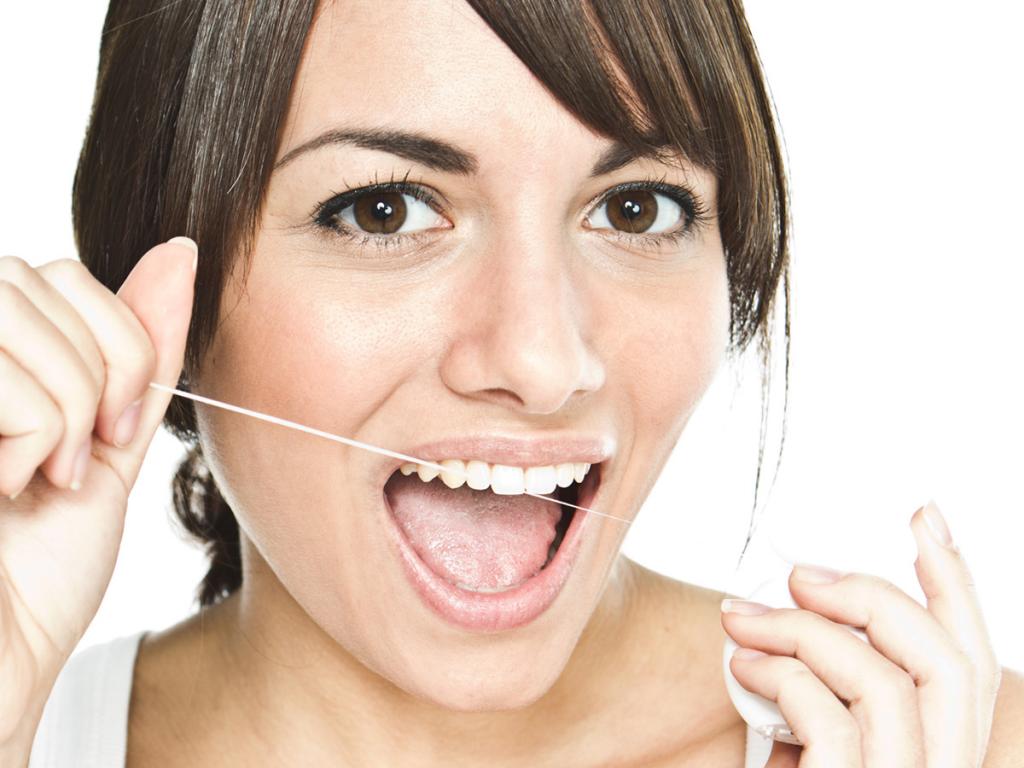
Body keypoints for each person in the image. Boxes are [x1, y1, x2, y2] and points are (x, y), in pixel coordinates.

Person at [2, 1, 1021, 766]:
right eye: (385, 210)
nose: (542, 364)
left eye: (635, 209)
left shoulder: (963, 745)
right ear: (162, 297)